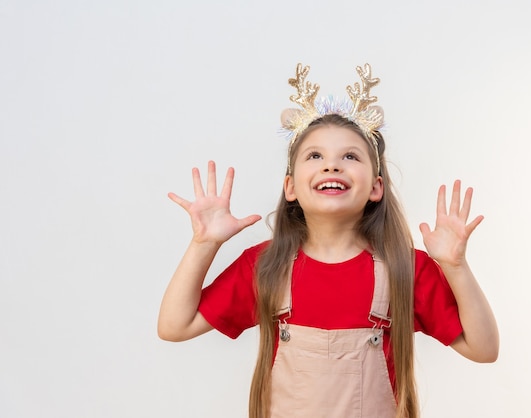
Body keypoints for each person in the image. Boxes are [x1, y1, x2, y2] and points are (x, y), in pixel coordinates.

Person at [158, 64, 499, 418]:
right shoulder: (265, 266)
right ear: (290, 186)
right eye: (315, 156)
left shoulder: (405, 269)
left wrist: (455, 267)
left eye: (350, 156)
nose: (332, 165)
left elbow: (484, 348)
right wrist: (204, 244)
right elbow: (173, 326)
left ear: (376, 186)